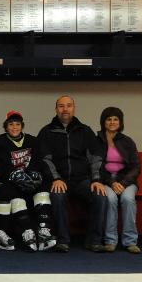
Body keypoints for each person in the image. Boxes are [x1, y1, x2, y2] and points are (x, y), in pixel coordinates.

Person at [36, 95, 108, 253]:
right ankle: (63, 240)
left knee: (100, 196)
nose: (65, 109)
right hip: (59, 180)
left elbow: (95, 158)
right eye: (61, 106)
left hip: (83, 180)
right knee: (57, 196)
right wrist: (56, 178)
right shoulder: (46, 131)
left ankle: (94, 241)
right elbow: (45, 159)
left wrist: (96, 180)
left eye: (68, 105)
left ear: (74, 108)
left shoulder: (85, 131)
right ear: (56, 110)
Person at [0, 111, 56, 251]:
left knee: (43, 189)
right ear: (6, 126)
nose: (14, 127)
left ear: (22, 126)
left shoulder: (33, 140)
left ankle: (44, 230)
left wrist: (33, 173)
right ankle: (27, 231)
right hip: (11, 182)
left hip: (28, 180)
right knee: (12, 194)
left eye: (17, 124)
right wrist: (14, 175)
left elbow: (38, 160)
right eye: (11, 124)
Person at [98, 106, 142, 253]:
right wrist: (111, 183)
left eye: (115, 119)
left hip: (126, 182)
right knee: (110, 199)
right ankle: (110, 241)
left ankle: (130, 242)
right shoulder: (97, 140)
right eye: (108, 119)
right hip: (105, 181)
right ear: (103, 122)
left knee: (128, 200)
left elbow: (136, 166)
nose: (112, 122)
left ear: (120, 122)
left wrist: (122, 183)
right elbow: (96, 166)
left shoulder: (128, 141)